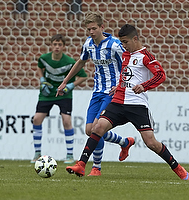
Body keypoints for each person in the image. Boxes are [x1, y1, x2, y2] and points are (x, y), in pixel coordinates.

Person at [64, 24, 189, 180]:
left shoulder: (145, 56)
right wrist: (118, 85)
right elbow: (125, 75)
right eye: (122, 42)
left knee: (151, 143)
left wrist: (144, 86)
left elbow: (160, 75)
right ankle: (81, 164)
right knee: (98, 127)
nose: (123, 46)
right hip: (118, 101)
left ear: (135, 39)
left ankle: (177, 167)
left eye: (125, 42)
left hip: (137, 105)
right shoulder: (125, 55)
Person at [56, 12, 135, 176]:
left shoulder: (114, 45)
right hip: (97, 91)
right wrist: (65, 81)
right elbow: (81, 62)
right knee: (88, 130)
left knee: (96, 128)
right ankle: (124, 142)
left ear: (102, 27)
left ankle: (96, 167)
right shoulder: (88, 44)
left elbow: (127, 62)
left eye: (94, 28)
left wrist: (121, 84)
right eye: (88, 29)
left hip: (112, 92)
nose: (91, 32)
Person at [31, 34, 87, 164]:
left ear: (63, 47)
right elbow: (39, 67)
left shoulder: (70, 62)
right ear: (51, 45)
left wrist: (70, 85)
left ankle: (69, 155)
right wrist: (42, 80)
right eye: (55, 44)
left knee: (66, 121)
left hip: (64, 94)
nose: (57, 47)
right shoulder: (44, 58)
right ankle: (37, 153)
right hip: (47, 93)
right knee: (37, 119)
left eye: (59, 44)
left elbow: (83, 76)